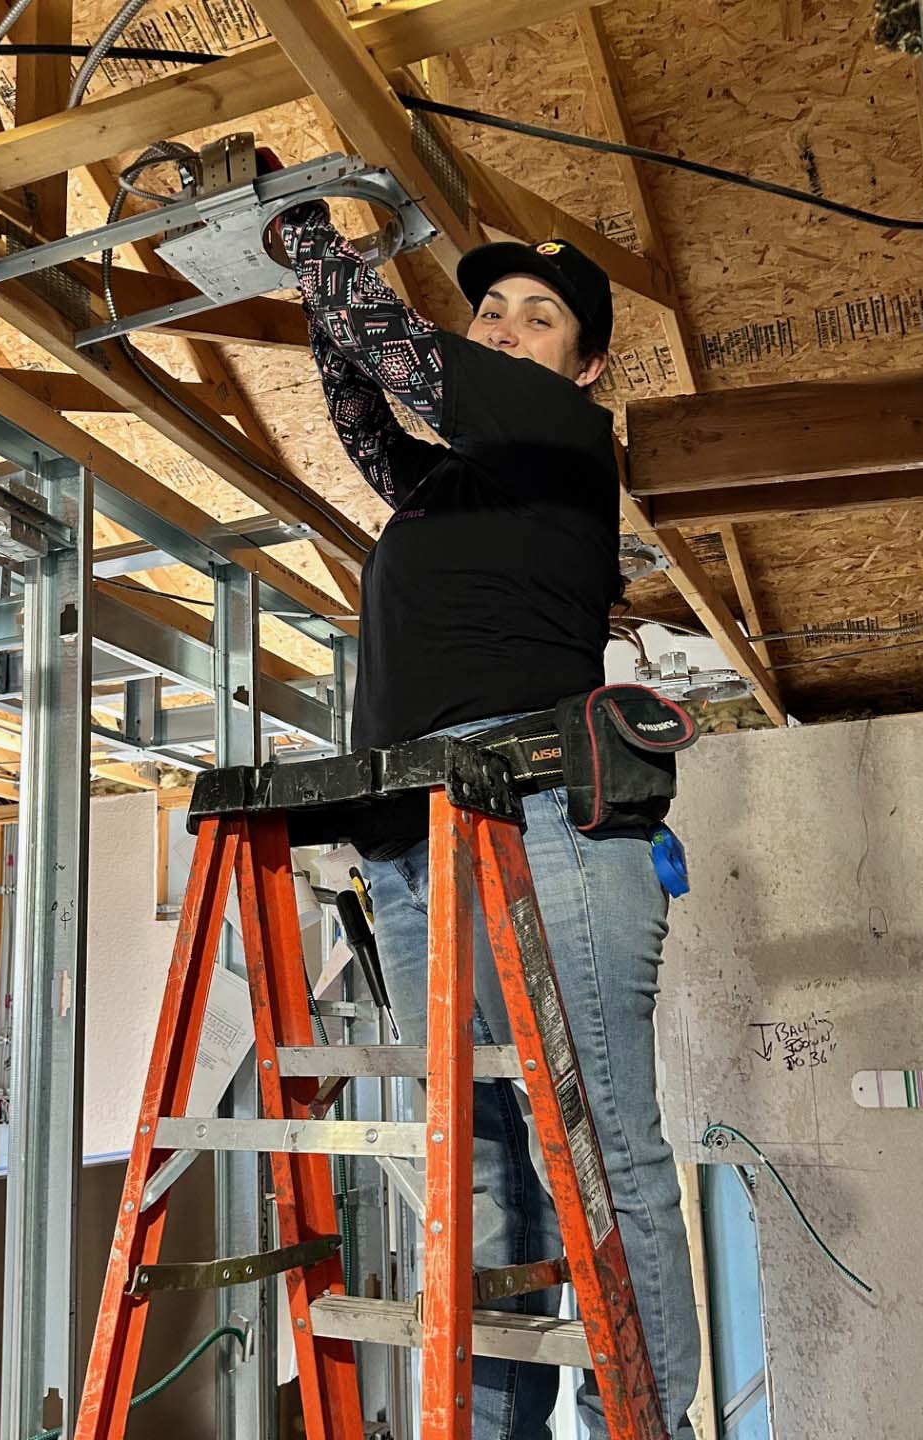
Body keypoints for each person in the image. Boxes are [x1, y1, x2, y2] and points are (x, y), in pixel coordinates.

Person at [278, 199, 700, 1439]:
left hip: (544, 816)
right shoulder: (452, 487)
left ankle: (643, 1425)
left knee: (604, 1147)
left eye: (541, 316)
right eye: (492, 311)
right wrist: (316, 289)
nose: (509, 329)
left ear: (585, 362)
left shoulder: (564, 430)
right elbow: (363, 400)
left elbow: (400, 356)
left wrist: (308, 235)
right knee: (484, 1164)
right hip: (421, 830)